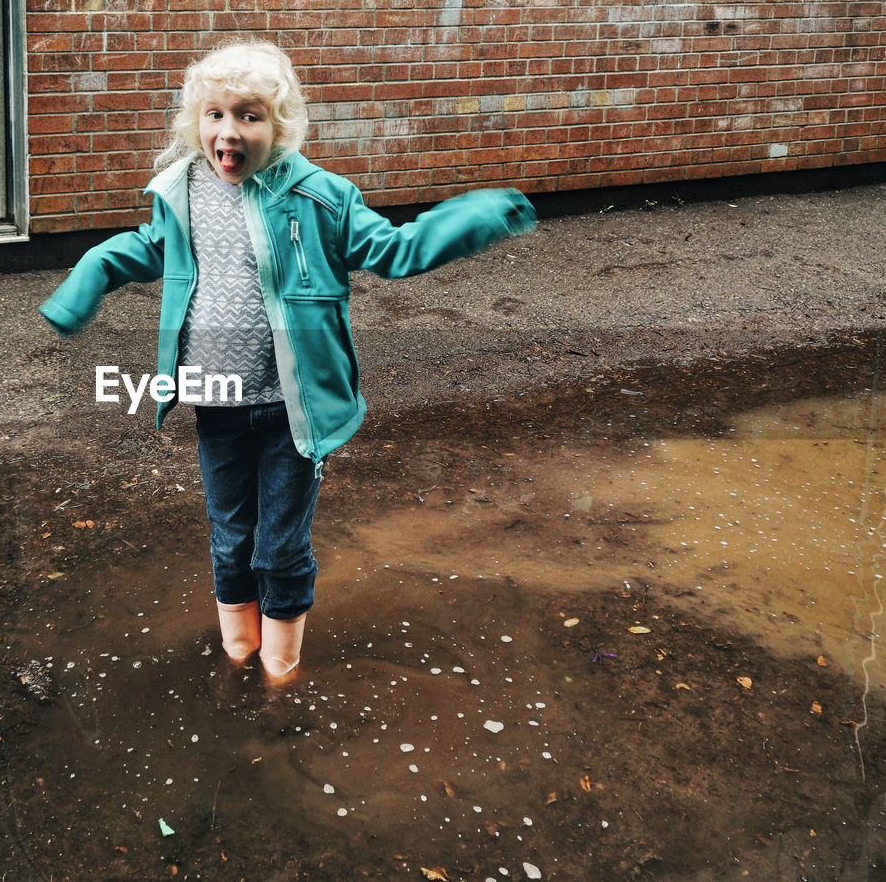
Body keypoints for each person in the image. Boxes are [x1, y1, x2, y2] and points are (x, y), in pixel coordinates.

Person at [40, 40, 536, 684]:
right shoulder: (181, 192)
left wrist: (483, 213)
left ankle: (281, 666)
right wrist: (83, 286)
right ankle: (239, 646)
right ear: (196, 121)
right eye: (215, 114)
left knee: (279, 545)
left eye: (249, 116)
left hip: (291, 410)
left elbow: (397, 249)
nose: (229, 131)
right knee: (230, 536)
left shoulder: (321, 198)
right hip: (214, 398)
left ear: (280, 126)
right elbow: (138, 250)